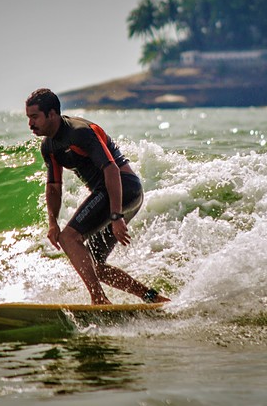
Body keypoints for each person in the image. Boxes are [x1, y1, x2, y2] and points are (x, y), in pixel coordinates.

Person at [25, 88, 169, 305]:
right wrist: (52, 223)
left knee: (69, 238)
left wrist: (116, 216)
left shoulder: (79, 132)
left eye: (35, 117)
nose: (30, 124)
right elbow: (54, 186)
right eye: (28, 118)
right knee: (94, 264)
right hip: (113, 194)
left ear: (52, 114)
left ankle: (99, 299)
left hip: (124, 187)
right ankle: (152, 297)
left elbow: (111, 169)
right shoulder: (49, 146)